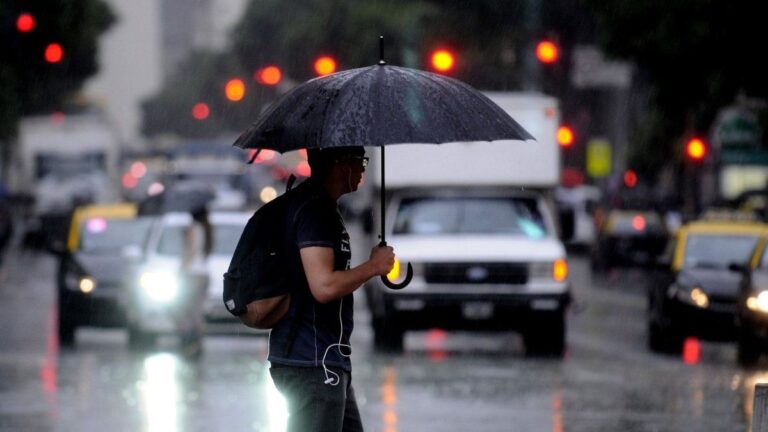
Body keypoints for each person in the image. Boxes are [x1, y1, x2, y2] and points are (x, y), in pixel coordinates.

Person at [267, 146, 395, 432]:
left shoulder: (325, 208)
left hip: (327, 361)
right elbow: (323, 286)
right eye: (359, 161)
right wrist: (373, 267)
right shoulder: (314, 212)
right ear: (339, 165)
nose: (363, 169)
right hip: (312, 362)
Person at [180, 204, 212, 358]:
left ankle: (189, 343)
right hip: (203, 274)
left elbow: (190, 251)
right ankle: (197, 344)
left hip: (191, 274)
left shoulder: (193, 229)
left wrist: (181, 268)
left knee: (187, 310)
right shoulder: (207, 229)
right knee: (197, 310)